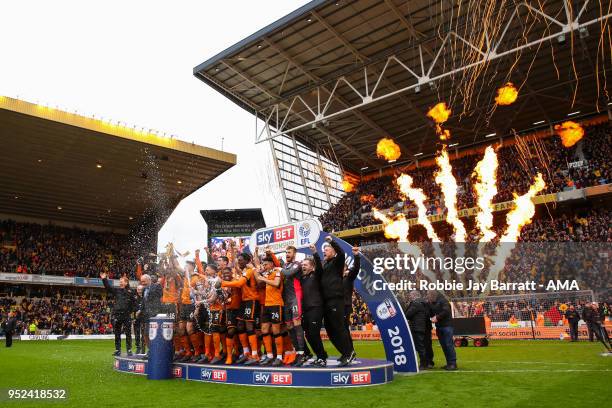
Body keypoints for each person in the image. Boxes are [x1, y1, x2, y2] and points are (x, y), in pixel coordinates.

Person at [319, 235, 355, 367]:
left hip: (336, 300)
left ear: (333, 252)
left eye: (327, 250)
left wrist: (331, 241)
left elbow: (342, 252)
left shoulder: (337, 261)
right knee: (329, 329)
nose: (324, 252)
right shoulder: (326, 264)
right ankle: (344, 352)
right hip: (326, 301)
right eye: (324, 250)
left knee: (339, 328)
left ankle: (349, 352)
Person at [254, 256, 284, 366]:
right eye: (264, 264)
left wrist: (263, 278)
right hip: (266, 304)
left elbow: (276, 284)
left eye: (266, 264)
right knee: (264, 329)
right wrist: (257, 271)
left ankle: (279, 357)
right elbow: (258, 281)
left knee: (276, 330)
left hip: (276, 304)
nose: (264, 266)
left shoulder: (277, 271)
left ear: (271, 264)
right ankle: (270, 355)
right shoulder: (266, 274)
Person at [302, 244, 328, 367]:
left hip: (316, 308)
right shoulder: (303, 278)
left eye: (305, 265)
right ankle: (319, 355)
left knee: (313, 333)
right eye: (302, 265)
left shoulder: (316, 275)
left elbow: (319, 266)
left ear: (312, 267)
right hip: (306, 310)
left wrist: (315, 253)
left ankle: (322, 357)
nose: (303, 266)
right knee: (307, 334)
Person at [101, 272, 135, 356]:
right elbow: (108, 287)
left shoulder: (131, 292)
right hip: (117, 315)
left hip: (126, 315)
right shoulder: (117, 291)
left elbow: (133, 304)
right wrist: (104, 279)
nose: (120, 282)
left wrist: (129, 312)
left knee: (128, 333)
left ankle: (129, 349)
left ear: (126, 283)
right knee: (117, 333)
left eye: (121, 281)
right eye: (120, 281)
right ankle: (117, 349)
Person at [428, 290, 457, 370]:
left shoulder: (443, 301)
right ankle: (449, 363)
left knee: (448, 345)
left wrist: (437, 317)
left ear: (433, 295)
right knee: (444, 345)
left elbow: (446, 311)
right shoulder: (432, 302)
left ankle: (453, 364)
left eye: (429, 296)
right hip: (439, 327)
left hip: (447, 326)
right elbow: (431, 313)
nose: (428, 297)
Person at [403, 291, 429, 369]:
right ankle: (425, 363)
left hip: (416, 327)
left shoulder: (415, 303)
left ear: (414, 296)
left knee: (419, 346)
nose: (409, 297)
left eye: (410, 295)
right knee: (422, 345)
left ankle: (423, 364)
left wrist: (409, 304)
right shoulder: (424, 302)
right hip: (422, 327)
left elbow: (408, 314)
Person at [342, 246, 360, 349]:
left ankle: (350, 351)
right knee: (340, 330)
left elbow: (356, 268)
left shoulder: (348, 277)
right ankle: (346, 351)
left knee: (344, 329)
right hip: (338, 306)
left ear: (345, 268)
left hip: (345, 305)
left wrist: (356, 256)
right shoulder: (336, 279)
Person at [134, 284, 146, 354]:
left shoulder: (145, 297)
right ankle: (138, 347)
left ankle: (143, 348)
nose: (139, 291)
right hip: (136, 318)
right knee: (137, 333)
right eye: (138, 289)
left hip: (144, 318)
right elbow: (132, 309)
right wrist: (133, 318)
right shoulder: (135, 298)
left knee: (144, 334)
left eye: (141, 289)